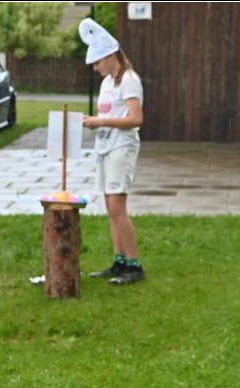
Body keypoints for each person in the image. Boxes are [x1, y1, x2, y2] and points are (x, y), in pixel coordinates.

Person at [79, 18, 146, 285]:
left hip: (122, 147)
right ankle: (119, 262)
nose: (95, 68)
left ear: (110, 56)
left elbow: (136, 118)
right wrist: (94, 121)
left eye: (97, 63)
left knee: (118, 207)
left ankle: (134, 265)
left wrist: (101, 121)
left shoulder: (129, 80)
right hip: (106, 146)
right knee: (110, 206)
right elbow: (109, 114)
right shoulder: (108, 82)